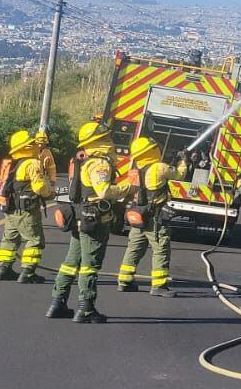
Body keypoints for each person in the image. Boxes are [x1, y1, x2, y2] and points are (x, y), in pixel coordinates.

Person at [47, 121, 131, 324]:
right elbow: (103, 191)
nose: (110, 141)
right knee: (90, 265)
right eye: (107, 137)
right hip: (94, 221)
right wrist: (130, 188)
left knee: (70, 262)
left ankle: (57, 303)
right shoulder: (99, 164)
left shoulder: (84, 160)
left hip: (80, 218)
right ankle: (86, 308)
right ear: (100, 141)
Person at [116, 136, 186, 297]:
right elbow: (180, 175)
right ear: (151, 151)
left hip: (138, 215)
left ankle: (124, 281)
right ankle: (159, 286)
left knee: (134, 248)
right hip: (155, 219)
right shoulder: (160, 168)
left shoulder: (135, 169)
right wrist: (183, 161)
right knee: (161, 249)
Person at [0, 129, 54, 283]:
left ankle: (3, 269)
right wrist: (50, 194)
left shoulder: (12, 163)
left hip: (10, 209)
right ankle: (28, 272)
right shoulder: (32, 163)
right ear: (26, 147)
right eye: (33, 143)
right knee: (34, 239)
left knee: (10, 238)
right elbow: (39, 187)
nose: (36, 145)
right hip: (26, 210)